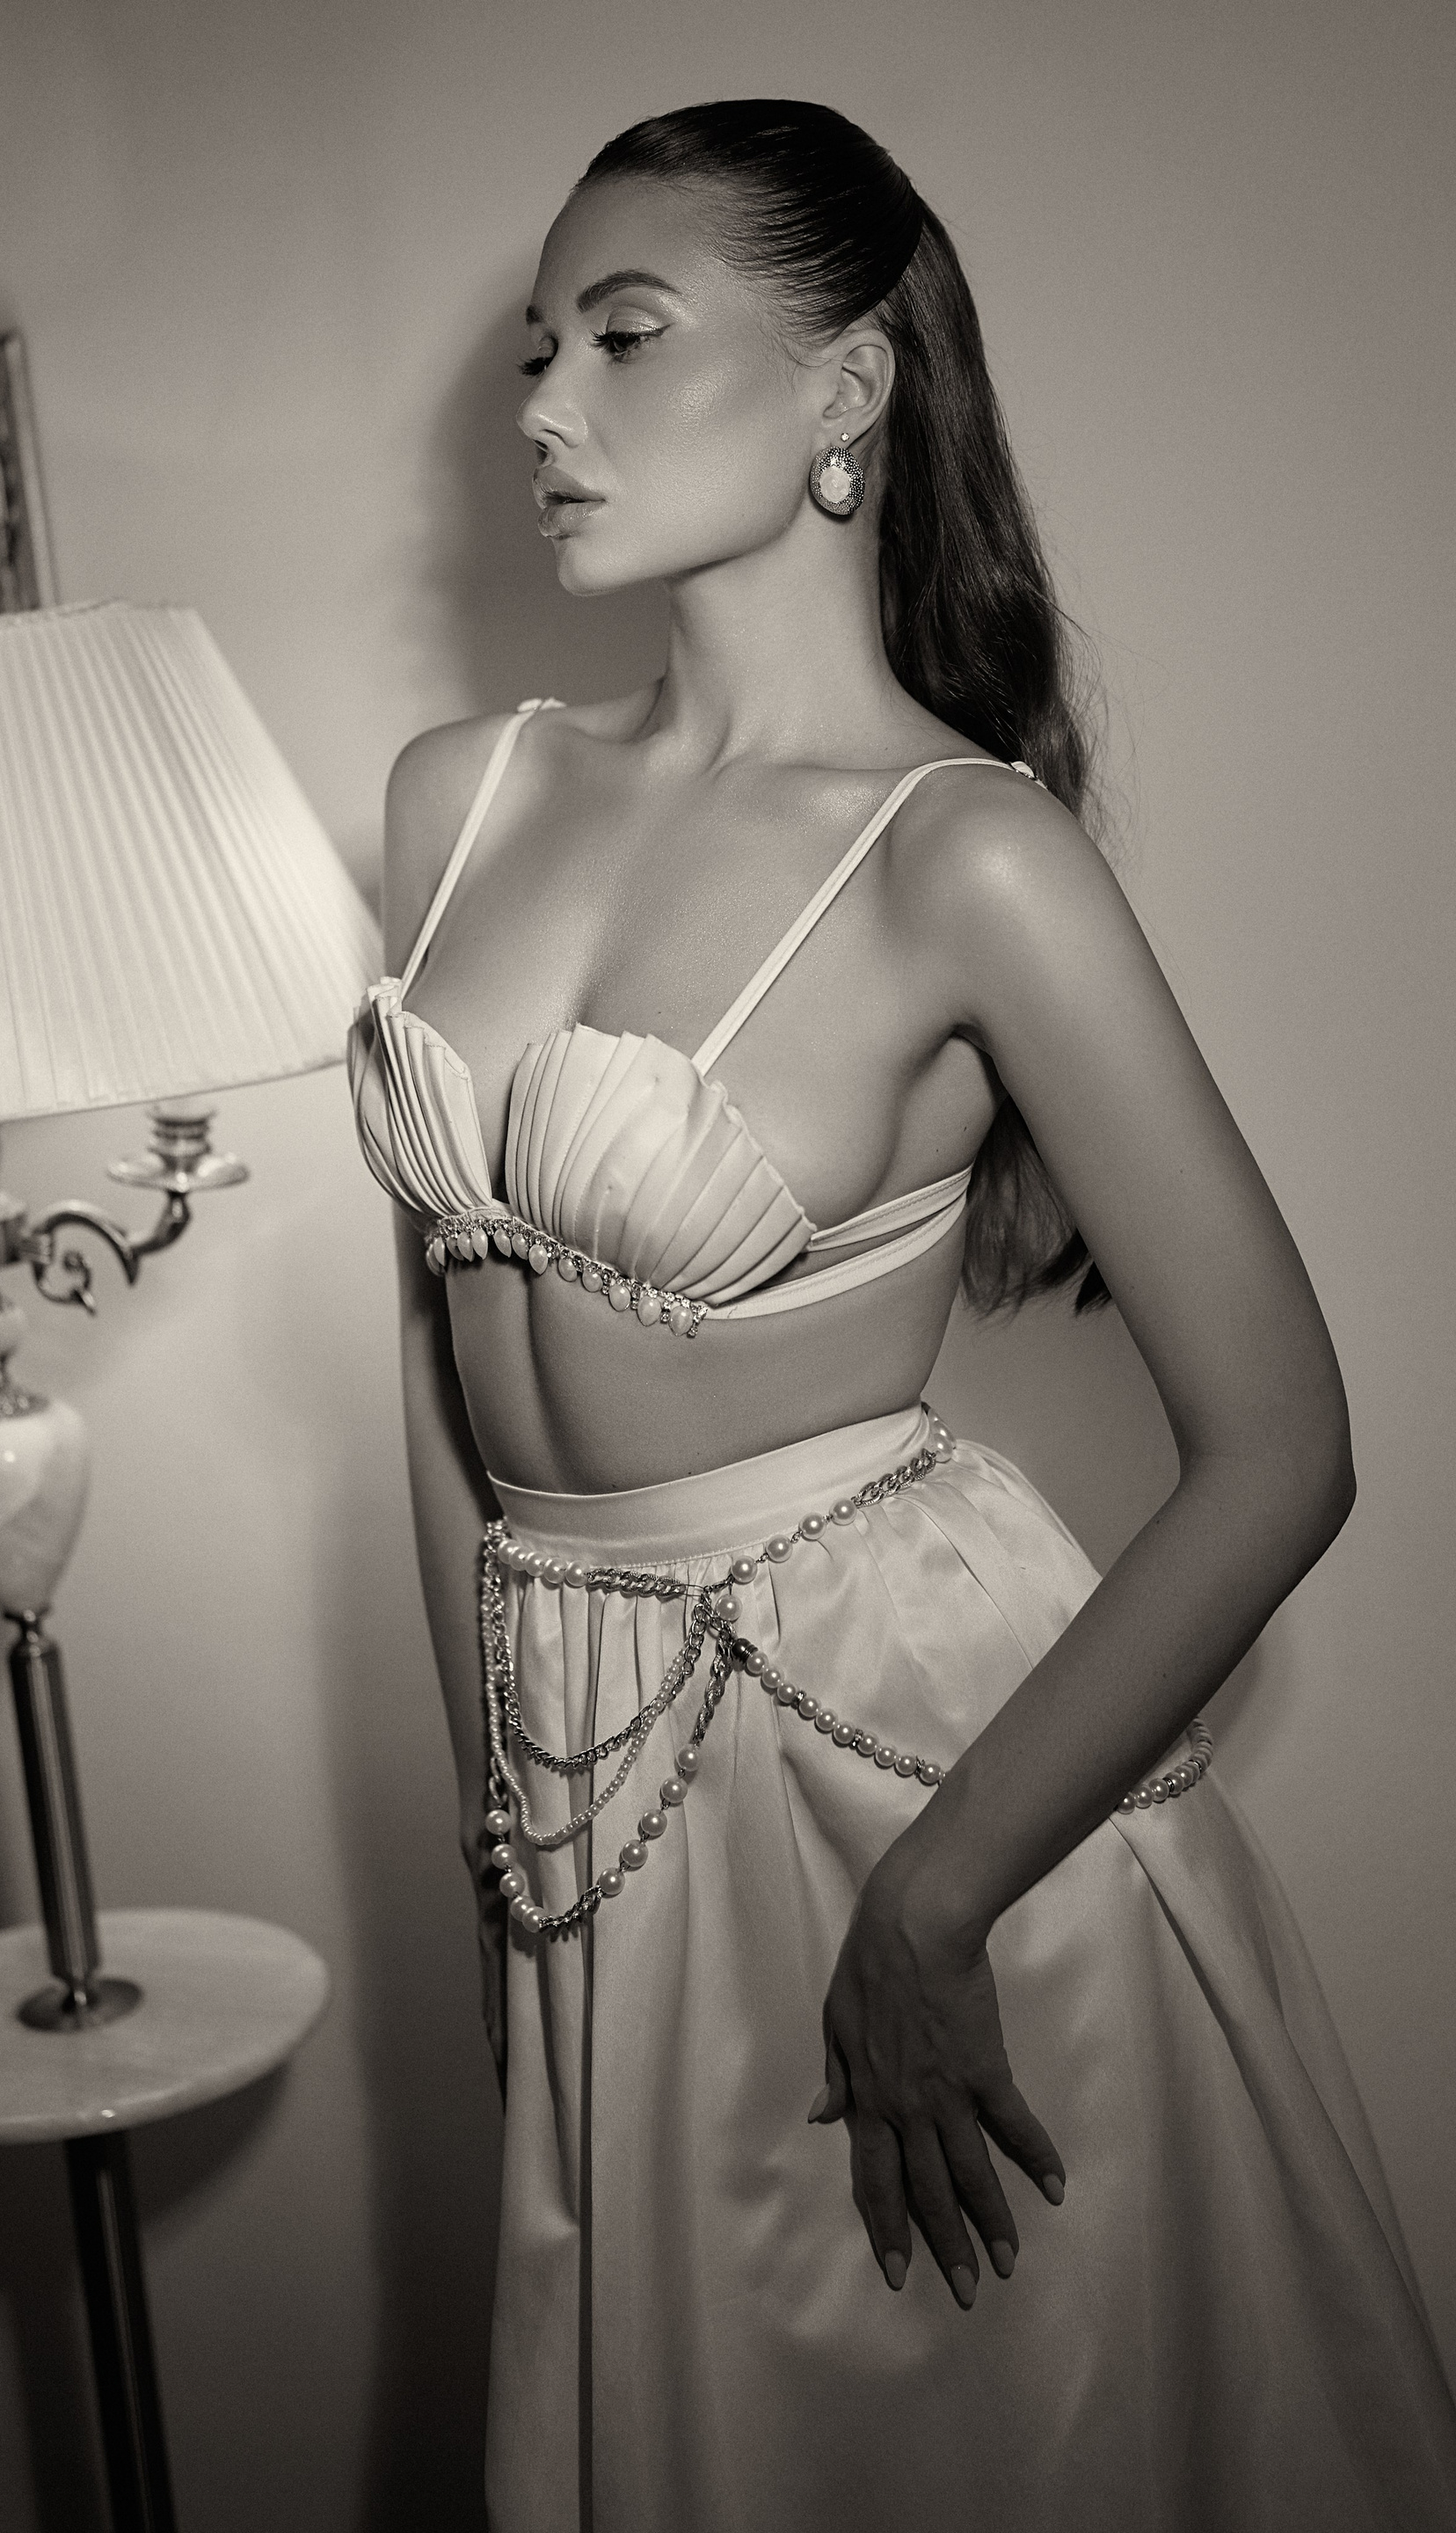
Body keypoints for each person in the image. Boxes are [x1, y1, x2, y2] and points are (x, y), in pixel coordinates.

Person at [347, 98, 1456, 2533]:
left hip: (912, 1773)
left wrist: (940, 1900)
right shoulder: (456, 798)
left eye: (626, 339)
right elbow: (445, 1353)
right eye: (539, 353)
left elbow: (1285, 1444)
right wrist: (497, 1817)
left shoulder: (970, 856)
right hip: (582, 1795)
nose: (545, 409)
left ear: (848, 389)